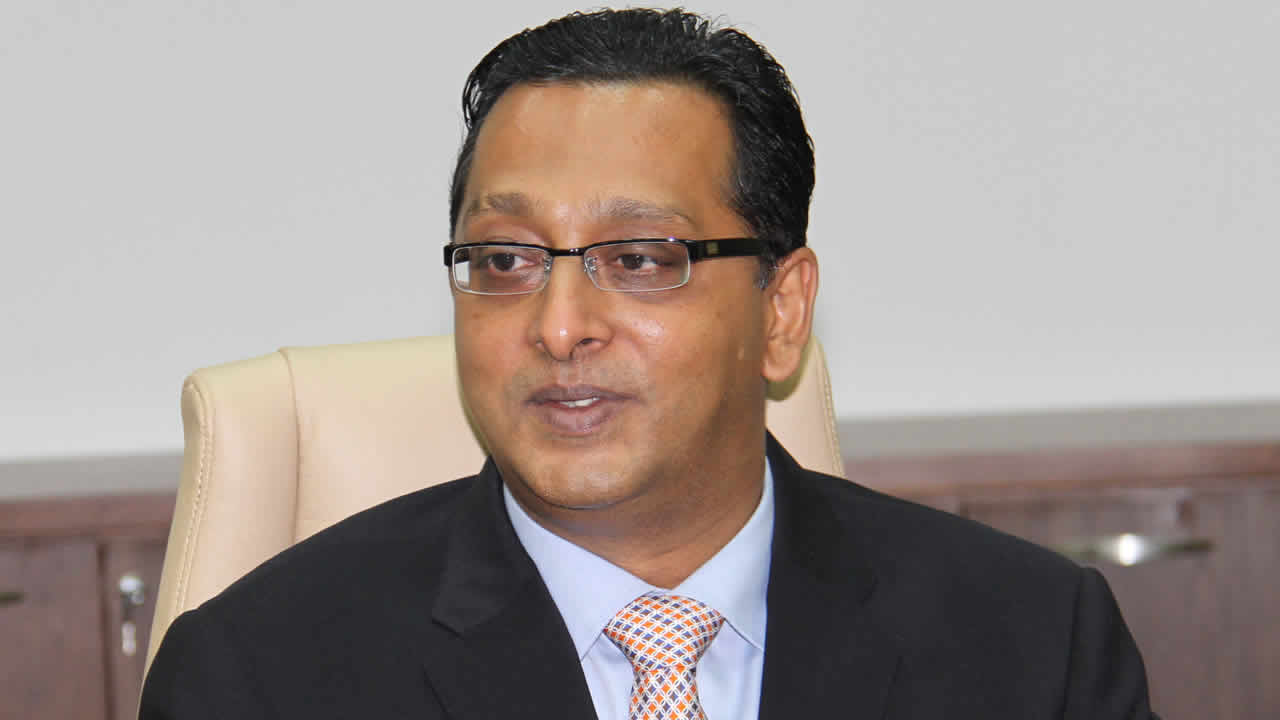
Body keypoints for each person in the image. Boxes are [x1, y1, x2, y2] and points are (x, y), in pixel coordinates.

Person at [140, 8, 1158, 719]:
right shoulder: (258, 677)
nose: (559, 327)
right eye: (505, 260)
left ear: (781, 312)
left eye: (638, 260)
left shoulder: (1031, 647)